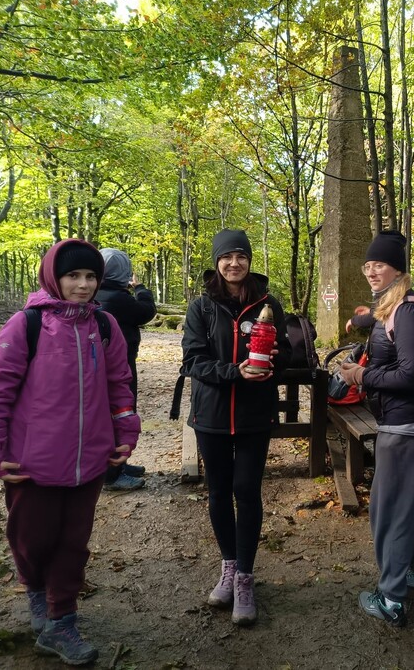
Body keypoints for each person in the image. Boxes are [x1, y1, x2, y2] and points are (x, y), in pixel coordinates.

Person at [0, 239, 141, 666]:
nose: (83, 285)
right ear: (54, 278)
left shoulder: (104, 325)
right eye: (73, 276)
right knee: (33, 538)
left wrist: (125, 433)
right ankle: (36, 589)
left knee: (73, 543)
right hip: (33, 463)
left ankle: (61, 620)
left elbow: (120, 385)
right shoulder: (26, 325)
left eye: (91, 277)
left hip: (91, 461)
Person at [179, 228, 291, 626]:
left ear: (249, 261)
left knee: (246, 490)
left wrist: (275, 356)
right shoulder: (202, 307)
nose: (234, 263)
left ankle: (245, 576)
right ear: (217, 263)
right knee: (218, 492)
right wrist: (234, 371)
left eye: (241, 256)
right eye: (226, 257)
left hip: (253, 415)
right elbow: (192, 361)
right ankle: (228, 567)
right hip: (210, 416)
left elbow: (286, 355)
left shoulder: (268, 304)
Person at [338, 230, 414, 628]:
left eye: (379, 265)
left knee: (389, 512)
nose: (371, 271)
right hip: (402, 424)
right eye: (367, 265)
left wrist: (361, 375)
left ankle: (391, 599)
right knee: (400, 506)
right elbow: (375, 324)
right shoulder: (392, 307)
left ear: (397, 270)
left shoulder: (409, 313)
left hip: (408, 427)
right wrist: (358, 327)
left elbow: (411, 375)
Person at [97, 248, 158, 492]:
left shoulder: (96, 293)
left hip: (103, 365)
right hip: (119, 365)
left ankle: (118, 465)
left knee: (110, 415)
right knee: (119, 413)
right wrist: (140, 287)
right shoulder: (117, 298)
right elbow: (146, 311)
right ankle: (111, 475)